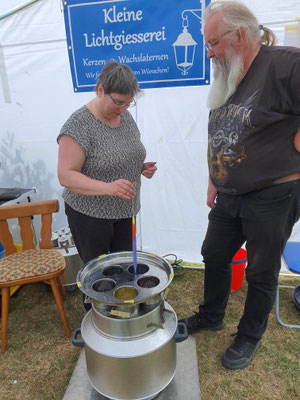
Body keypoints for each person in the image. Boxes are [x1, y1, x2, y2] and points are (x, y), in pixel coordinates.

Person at [180, 1, 300, 370]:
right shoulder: (227, 73)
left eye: (214, 43)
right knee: (214, 253)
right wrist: (215, 179)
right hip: (229, 194)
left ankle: (249, 335)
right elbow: (220, 132)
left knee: (261, 271)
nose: (209, 52)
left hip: (273, 195)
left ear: (241, 36)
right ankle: (212, 315)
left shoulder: (286, 64)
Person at [57, 61, 157, 310]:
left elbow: (126, 153)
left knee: (123, 269)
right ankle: (99, 321)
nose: (123, 109)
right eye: (118, 102)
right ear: (100, 89)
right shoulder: (78, 126)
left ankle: (124, 315)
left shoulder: (124, 117)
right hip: (90, 216)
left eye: (128, 103)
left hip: (125, 211)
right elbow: (66, 175)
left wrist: (139, 167)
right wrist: (108, 187)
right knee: (98, 275)